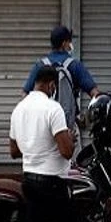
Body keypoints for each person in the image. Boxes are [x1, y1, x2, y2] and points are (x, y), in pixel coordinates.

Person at [9, 65, 78, 222]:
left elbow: (14, 151)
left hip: (29, 181)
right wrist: (69, 138)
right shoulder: (53, 108)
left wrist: (34, 145)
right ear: (52, 86)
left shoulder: (19, 109)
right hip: (53, 184)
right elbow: (67, 152)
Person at [22, 25, 100, 155]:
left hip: (43, 131)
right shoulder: (75, 65)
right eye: (69, 42)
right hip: (68, 130)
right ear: (64, 43)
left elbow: (25, 95)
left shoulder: (40, 65)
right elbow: (96, 95)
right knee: (72, 169)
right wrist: (85, 117)